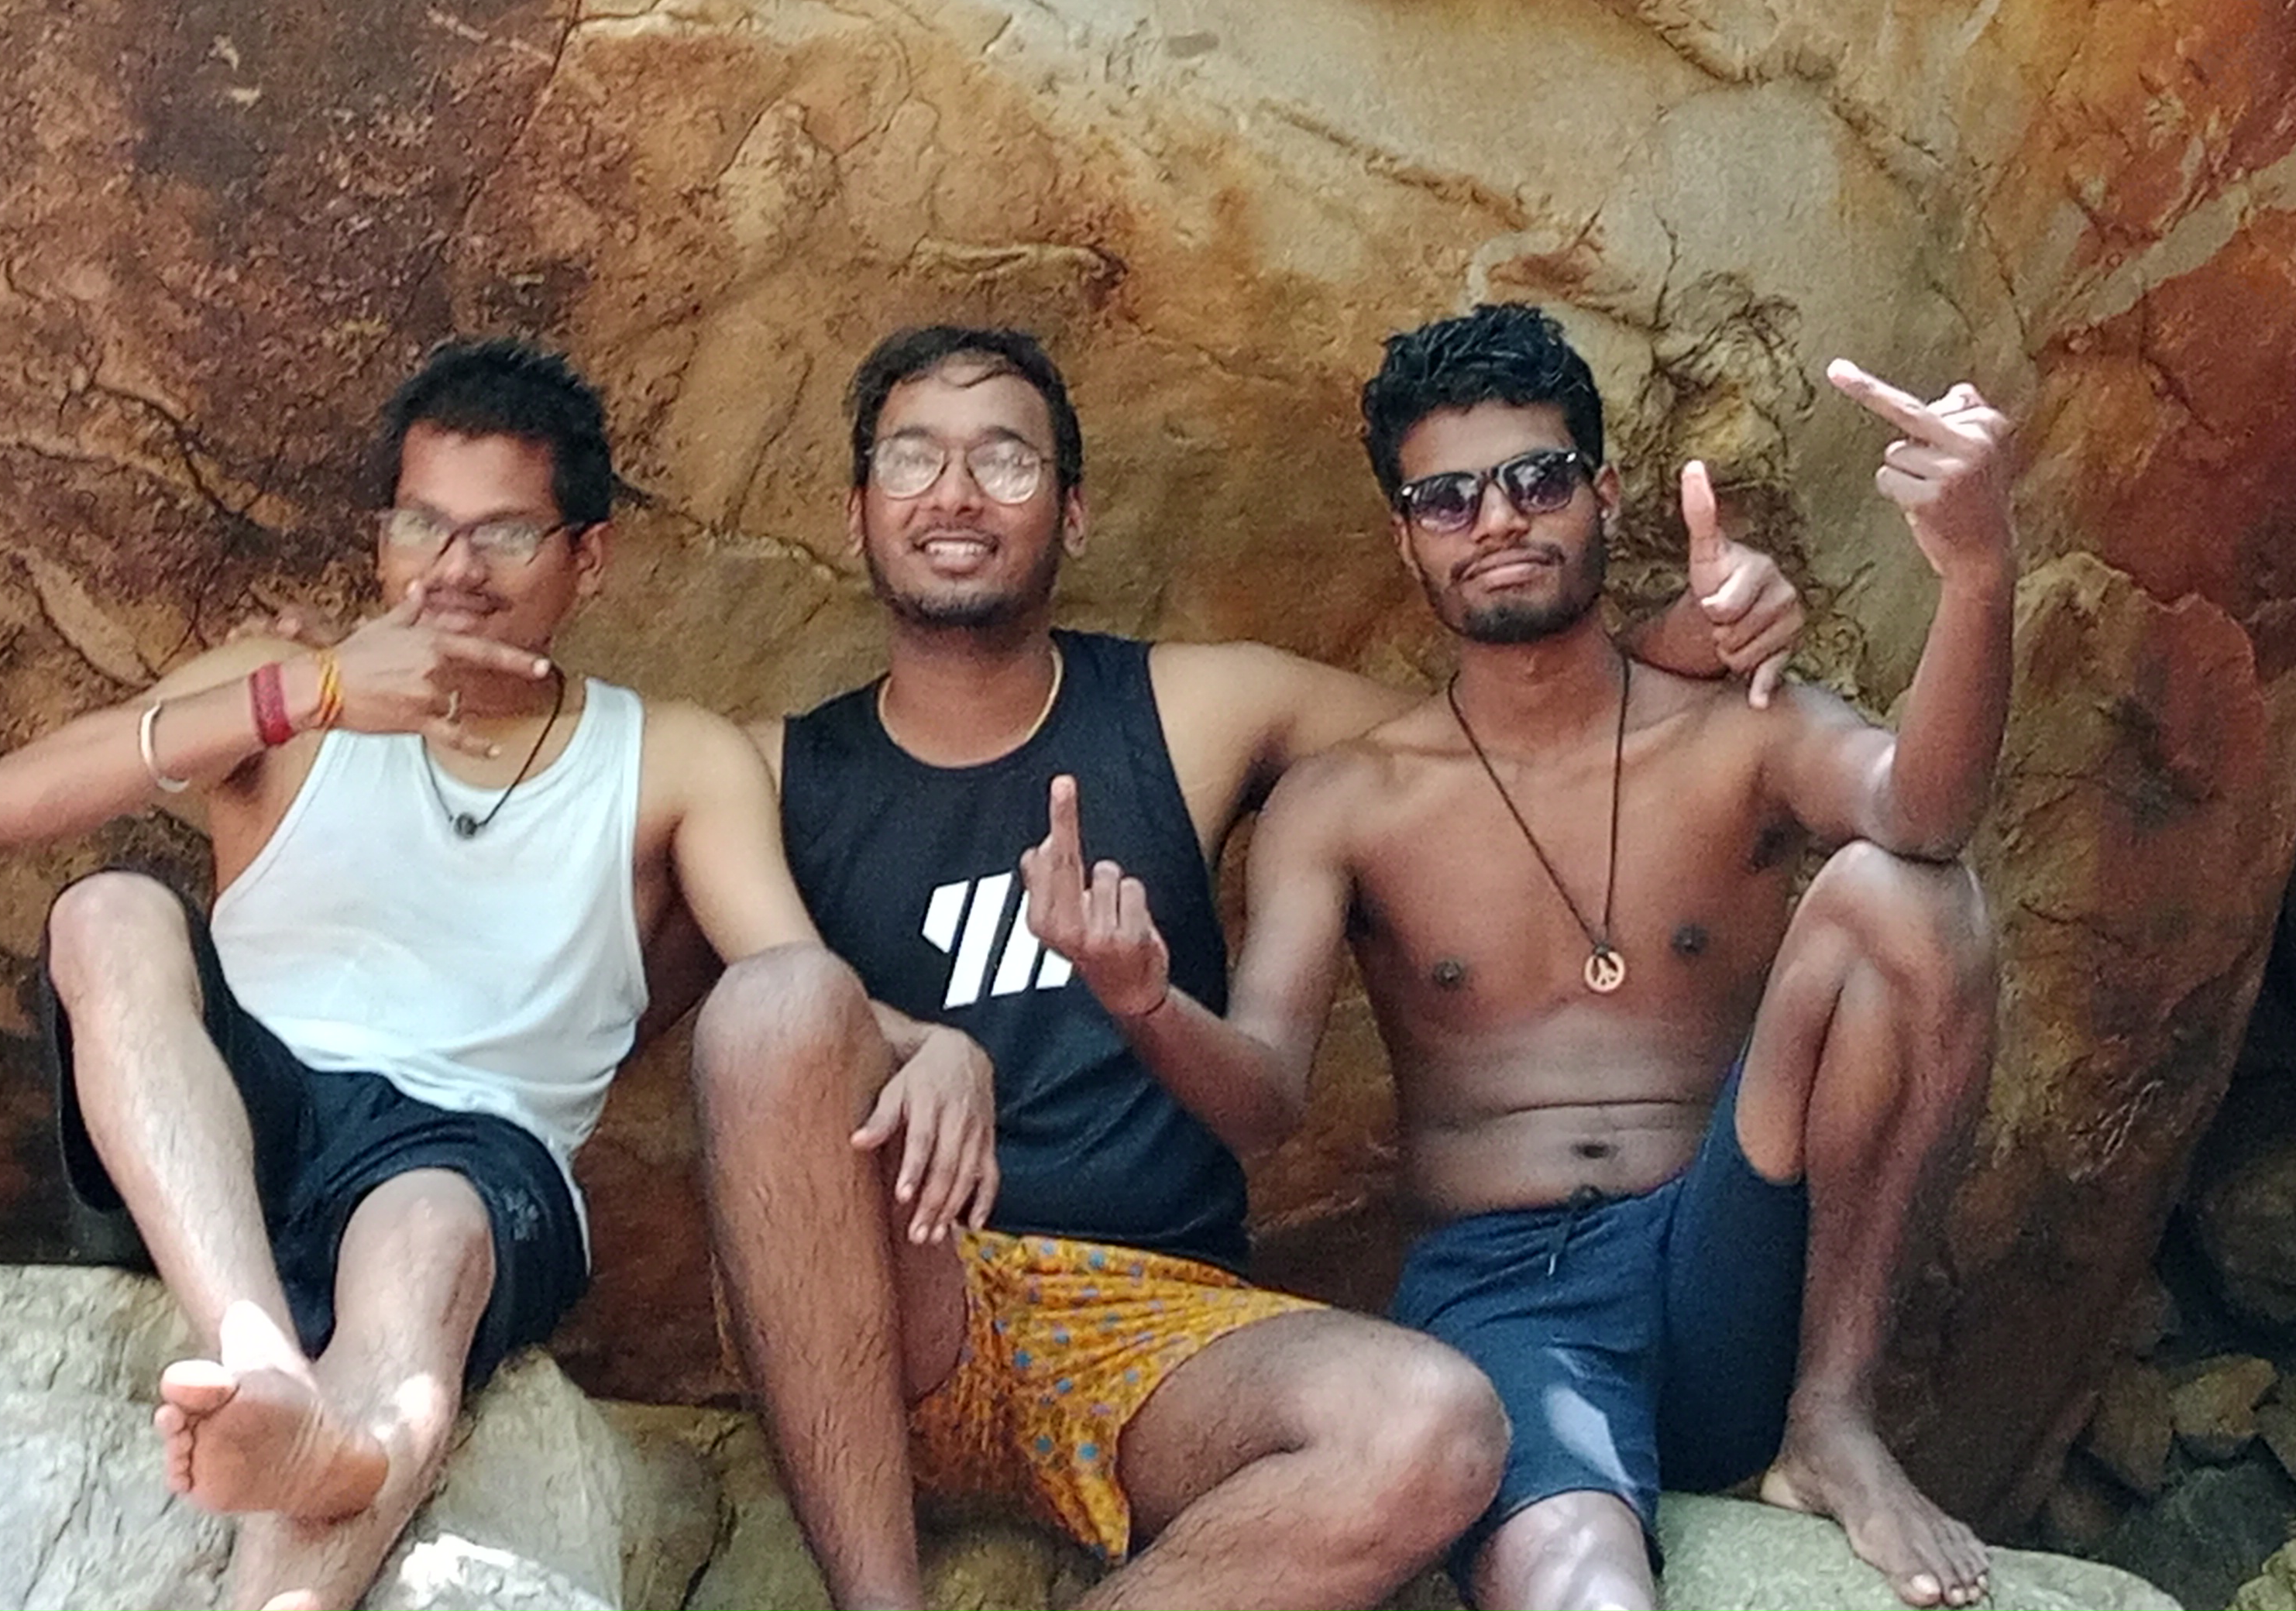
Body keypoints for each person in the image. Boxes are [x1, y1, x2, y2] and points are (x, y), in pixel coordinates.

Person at [693, 323, 1808, 1611]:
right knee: (775, 1004)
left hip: (1156, 1333)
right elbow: (664, 935)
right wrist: (917, 1042)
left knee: (1439, 1426)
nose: (954, 494)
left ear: (1077, 511)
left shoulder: (1194, 709)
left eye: (1004, 459)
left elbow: (1496, 734)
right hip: (902, 1297)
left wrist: (1689, 634)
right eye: (912, 460)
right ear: (853, 512)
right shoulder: (766, 770)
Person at [0, 338, 994, 1611]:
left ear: (589, 558)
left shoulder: (668, 757)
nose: (451, 570)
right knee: (111, 908)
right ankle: (256, 1355)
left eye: (504, 535)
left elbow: (789, 977)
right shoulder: (283, 694)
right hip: (233, 1131)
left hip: (472, 1153)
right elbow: (4, 805)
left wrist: (929, 1042)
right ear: (382, 535)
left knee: (431, 1233)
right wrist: (312, 692)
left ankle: (333, 1488)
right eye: (422, 525)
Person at [1022, 302, 2009, 1611]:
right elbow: (1264, 1100)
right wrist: (1144, 1005)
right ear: (1404, 538)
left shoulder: (1734, 729)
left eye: (1537, 478)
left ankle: (1834, 1425)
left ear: (1602, 493)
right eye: (1446, 498)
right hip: (1512, 1297)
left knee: (1913, 898)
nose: (1496, 520)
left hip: (1734, 1250)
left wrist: (1978, 575)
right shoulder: (1349, 800)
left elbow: (1927, 812)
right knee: (1584, 1595)